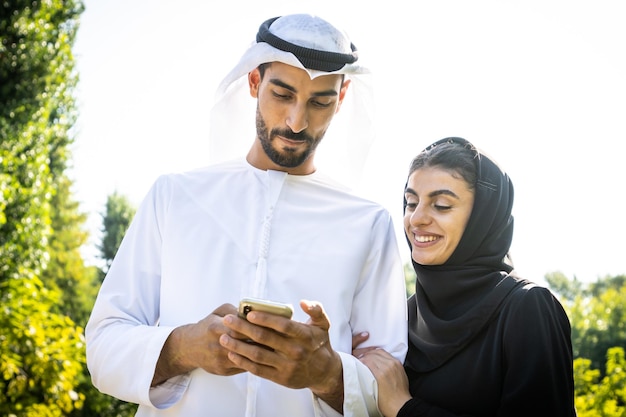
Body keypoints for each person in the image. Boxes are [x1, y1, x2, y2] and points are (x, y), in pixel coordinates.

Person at [85, 13, 408, 417]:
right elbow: (102, 346)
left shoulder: (369, 224)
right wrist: (183, 347)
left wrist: (326, 373)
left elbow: (389, 383)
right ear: (254, 83)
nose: (297, 121)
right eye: (282, 94)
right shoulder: (175, 197)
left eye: (319, 102)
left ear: (341, 100)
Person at [354, 137, 576, 416]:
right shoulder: (402, 317)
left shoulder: (527, 309)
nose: (416, 218)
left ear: (484, 216)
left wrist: (404, 407)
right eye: (411, 203)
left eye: (442, 205)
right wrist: (339, 374)